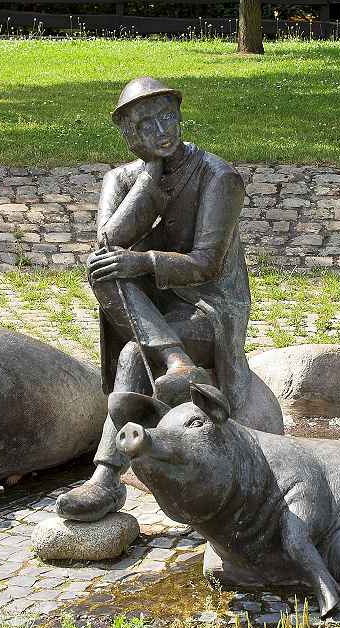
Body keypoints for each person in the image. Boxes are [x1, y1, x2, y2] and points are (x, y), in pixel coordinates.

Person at [54, 77, 257, 522]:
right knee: (102, 267)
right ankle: (174, 360)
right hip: (155, 311)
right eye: (145, 125)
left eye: (167, 118)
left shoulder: (219, 177)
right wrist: (148, 181)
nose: (161, 130)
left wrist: (143, 262)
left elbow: (206, 264)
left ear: (181, 116)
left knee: (130, 354)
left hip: (209, 307)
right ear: (128, 135)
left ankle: (106, 480)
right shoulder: (120, 179)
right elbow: (108, 242)